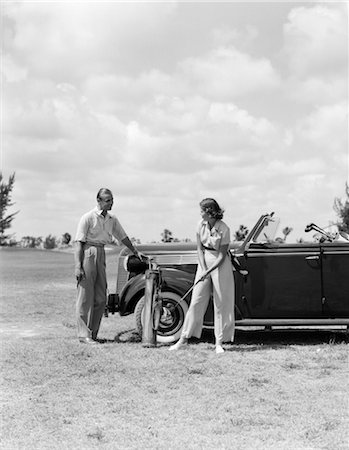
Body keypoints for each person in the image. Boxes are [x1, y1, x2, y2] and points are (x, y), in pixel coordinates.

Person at [169, 198, 245, 354]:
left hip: (220, 265)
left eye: (202, 210)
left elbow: (222, 256)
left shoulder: (224, 228)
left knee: (220, 304)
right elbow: (199, 249)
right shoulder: (200, 224)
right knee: (196, 301)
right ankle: (183, 339)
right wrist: (203, 268)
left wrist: (209, 271)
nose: (200, 213)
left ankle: (219, 342)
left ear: (210, 212)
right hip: (203, 264)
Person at [74, 188, 142, 344]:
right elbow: (79, 243)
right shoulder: (88, 218)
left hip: (101, 252)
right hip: (88, 253)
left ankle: (92, 333)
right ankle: (83, 334)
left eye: (112, 200)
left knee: (100, 297)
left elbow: (122, 236)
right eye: (107, 200)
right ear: (98, 201)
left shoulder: (112, 219)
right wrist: (78, 266)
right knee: (85, 297)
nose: (111, 203)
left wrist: (134, 251)